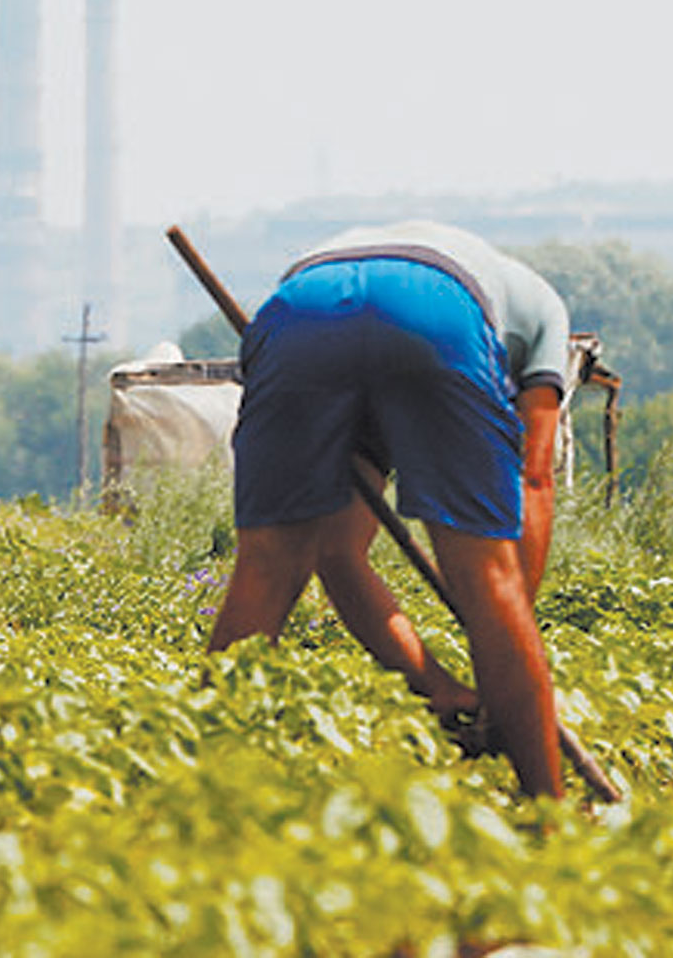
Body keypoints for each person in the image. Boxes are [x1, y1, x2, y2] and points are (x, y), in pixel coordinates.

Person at [207, 219, 573, 797]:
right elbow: (534, 476)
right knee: (486, 572)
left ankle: (209, 794)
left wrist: (463, 669)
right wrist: (505, 633)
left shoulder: (510, 296)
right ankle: (548, 811)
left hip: (302, 310)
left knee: (268, 564)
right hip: (436, 311)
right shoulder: (547, 313)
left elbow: (338, 554)